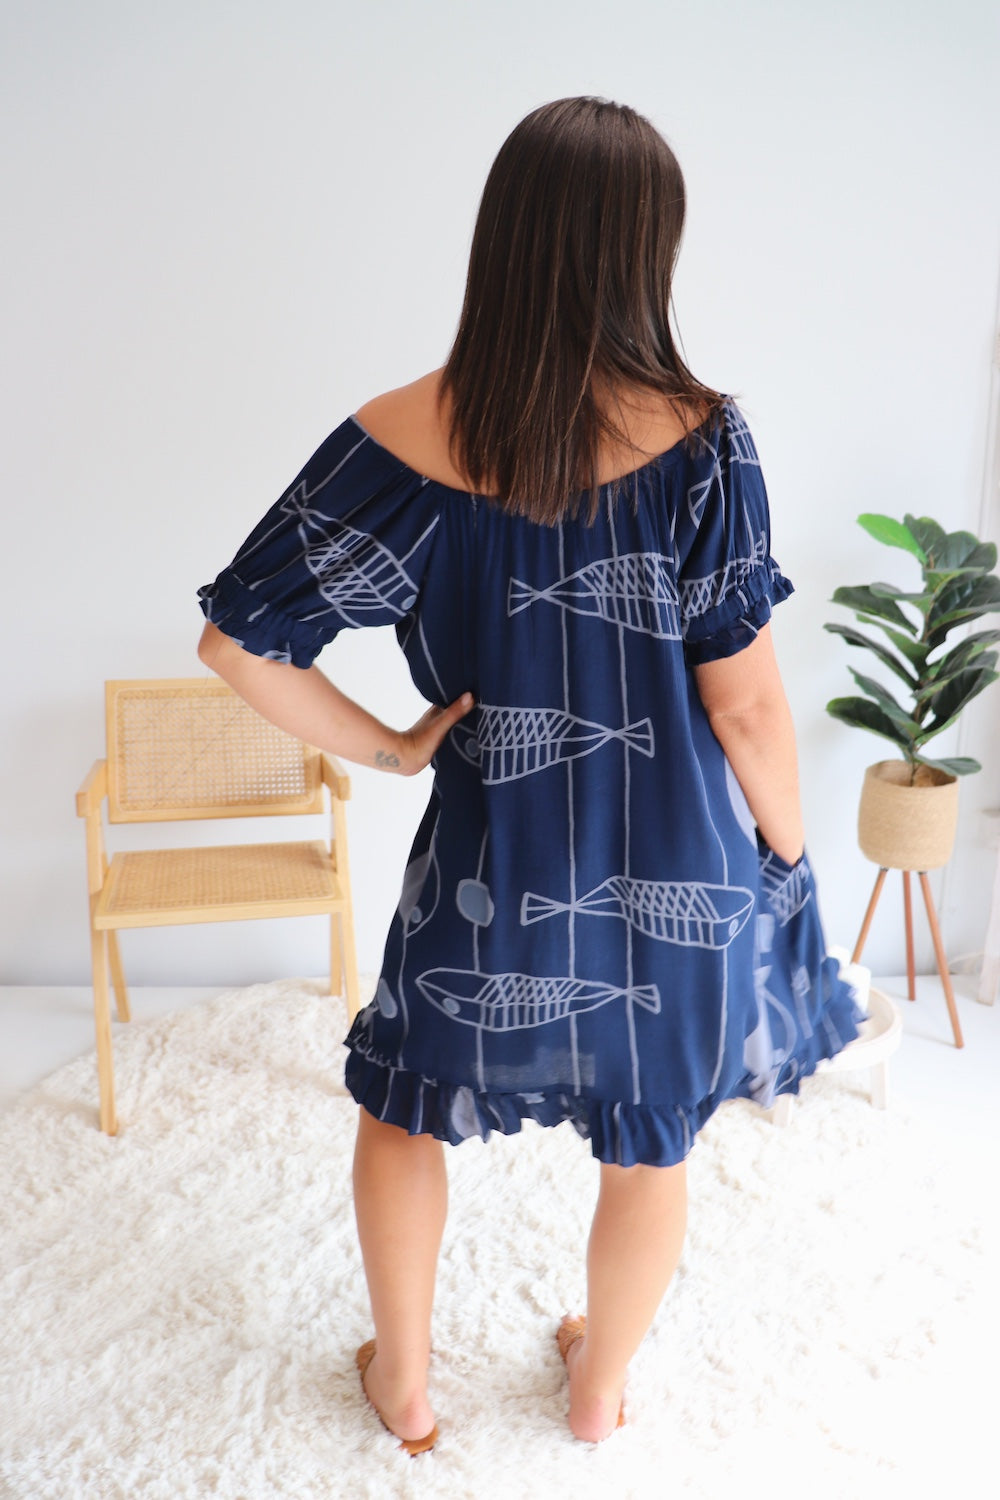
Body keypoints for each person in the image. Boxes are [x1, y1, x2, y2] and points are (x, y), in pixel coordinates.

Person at [197, 96, 861, 1451]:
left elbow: (236, 641)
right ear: (648, 252)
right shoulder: (706, 440)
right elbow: (745, 707)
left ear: (502, 235)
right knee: (650, 1138)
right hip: (675, 857)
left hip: (487, 866)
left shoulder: (397, 436)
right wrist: (790, 854)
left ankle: (407, 1382)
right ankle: (599, 1387)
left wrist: (394, 748)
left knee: (404, 1110)